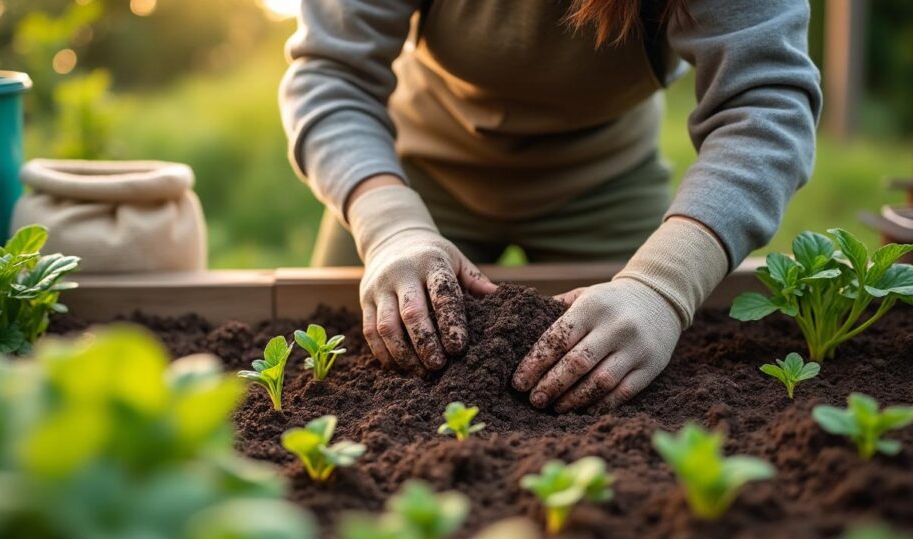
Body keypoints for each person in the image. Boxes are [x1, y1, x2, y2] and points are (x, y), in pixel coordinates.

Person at [279, 0, 821, 412]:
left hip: (607, 183)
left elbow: (765, 104)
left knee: (626, 369)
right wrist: (390, 228)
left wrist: (661, 286)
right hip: (416, 174)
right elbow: (333, 76)